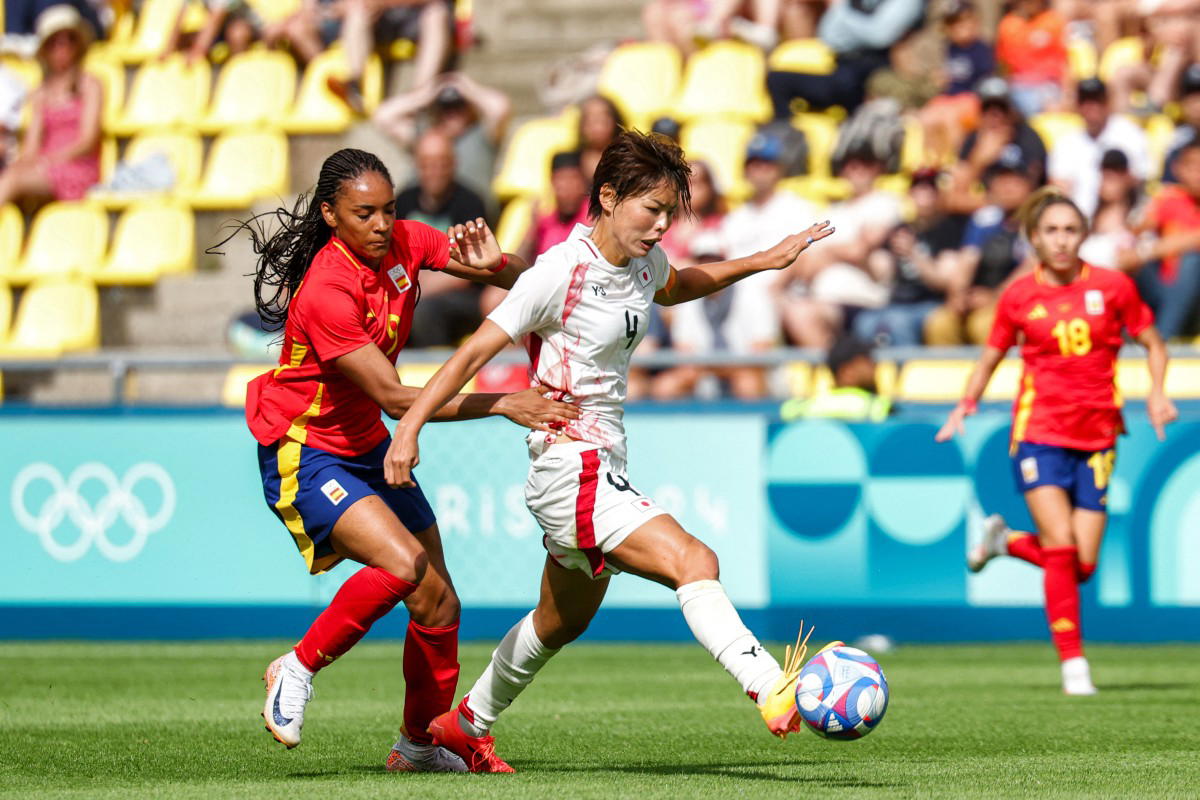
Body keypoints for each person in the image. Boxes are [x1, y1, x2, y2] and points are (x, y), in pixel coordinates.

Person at [385, 131, 836, 772]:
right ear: (607, 197)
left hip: (603, 464)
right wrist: (410, 429)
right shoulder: (557, 272)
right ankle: (769, 684)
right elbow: (471, 354)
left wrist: (762, 260)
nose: (660, 227)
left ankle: (464, 724)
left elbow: (677, 285)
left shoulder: (642, 262)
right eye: (650, 210)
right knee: (693, 558)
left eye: (668, 214)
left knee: (558, 620)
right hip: (571, 465)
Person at [235, 148, 578, 769]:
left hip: (364, 443)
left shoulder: (408, 242)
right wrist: (503, 403)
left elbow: (527, 284)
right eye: (364, 213)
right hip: (306, 448)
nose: (381, 224)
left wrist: (496, 265)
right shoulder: (325, 291)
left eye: (389, 210)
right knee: (403, 563)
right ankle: (297, 666)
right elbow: (396, 399)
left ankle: (418, 744)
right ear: (331, 216)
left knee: (439, 601)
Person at [936, 186, 1177, 696]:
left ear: (1083, 235)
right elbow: (991, 355)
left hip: (1098, 436)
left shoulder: (1114, 287)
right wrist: (966, 403)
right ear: (1033, 238)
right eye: (1051, 231)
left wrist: (1157, 392)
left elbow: (1153, 343)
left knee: (1083, 565)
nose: (1062, 240)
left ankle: (1003, 542)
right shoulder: (1020, 295)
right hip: (1039, 433)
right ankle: (1074, 664)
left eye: (1070, 230)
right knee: (1063, 549)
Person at [927, 148, 1036, 345]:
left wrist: (994, 297)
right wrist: (959, 295)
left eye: (1014, 180)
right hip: (979, 297)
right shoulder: (985, 219)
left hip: (1018, 304)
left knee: (984, 326)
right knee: (940, 323)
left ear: (1028, 185)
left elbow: (1031, 268)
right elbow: (968, 259)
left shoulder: (1036, 220)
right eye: (1000, 180)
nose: (1006, 187)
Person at [651, 231, 775, 400]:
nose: (708, 266)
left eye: (714, 260)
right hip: (705, 372)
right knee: (666, 387)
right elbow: (684, 349)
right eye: (702, 261)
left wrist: (719, 367)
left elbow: (762, 348)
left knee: (748, 383)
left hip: (742, 372)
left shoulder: (753, 294)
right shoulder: (686, 300)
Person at [394, 130, 490, 347]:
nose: (434, 171)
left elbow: (471, 270)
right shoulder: (403, 202)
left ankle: (433, 370)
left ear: (453, 164)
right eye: (427, 163)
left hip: (460, 295)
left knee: (424, 310)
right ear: (417, 165)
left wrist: (417, 288)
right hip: (410, 286)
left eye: (441, 163)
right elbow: (393, 258)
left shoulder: (471, 203)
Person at [0, 5, 101, 206]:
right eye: (55, 42)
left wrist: (51, 159)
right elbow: (32, 146)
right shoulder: (41, 92)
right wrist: (29, 163)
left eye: (68, 40)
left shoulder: (90, 84)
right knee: (12, 173)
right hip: (47, 167)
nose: (62, 47)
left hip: (76, 166)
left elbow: (88, 139)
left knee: (12, 179)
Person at [853, 169, 964, 346]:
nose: (924, 196)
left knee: (898, 323)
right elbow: (881, 273)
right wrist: (864, 252)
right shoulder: (899, 229)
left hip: (931, 303)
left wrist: (914, 254)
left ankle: (907, 371)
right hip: (896, 303)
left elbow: (943, 282)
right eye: (918, 190)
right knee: (864, 323)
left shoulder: (949, 230)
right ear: (910, 195)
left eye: (929, 191)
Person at [372, 71, 511, 209]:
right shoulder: (425, 136)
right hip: (421, 213)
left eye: (458, 106)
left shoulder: (482, 134)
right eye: (446, 107)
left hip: (471, 215)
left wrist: (467, 88)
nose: (452, 114)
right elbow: (383, 116)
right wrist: (426, 95)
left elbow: (500, 108)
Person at [1118, 139, 1200, 338]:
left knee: (1192, 261)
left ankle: (1163, 339)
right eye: (1192, 166)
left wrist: (1153, 249)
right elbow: (1135, 232)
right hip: (1164, 284)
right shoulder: (1168, 198)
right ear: (1178, 168)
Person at [1047, 78, 1149, 219]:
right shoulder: (1066, 142)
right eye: (1085, 101)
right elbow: (1059, 187)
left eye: (1097, 100)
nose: (1092, 106)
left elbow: (1141, 179)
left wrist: (1112, 183)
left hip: (1123, 220)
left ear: (1108, 102)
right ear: (1077, 105)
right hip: (1079, 222)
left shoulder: (1130, 134)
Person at [780, 335, 891, 421]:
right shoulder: (880, 408)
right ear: (848, 372)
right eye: (867, 361)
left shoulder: (801, 409)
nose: (874, 366)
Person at [994, 0, 1069, 117]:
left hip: (1048, 86)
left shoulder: (1053, 21)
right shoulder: (1007, 25)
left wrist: (1067, 96)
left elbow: (1066, 63)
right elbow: (1003, 66)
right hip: (1017, 87)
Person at [520, 151, 591, 262]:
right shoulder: (543, 222)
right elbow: (519, 265)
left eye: (573, 179)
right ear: (552, 182)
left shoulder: (595, 216)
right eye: (561, 179)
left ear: (583, 182)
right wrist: (531, 232)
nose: (568, 188)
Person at [576, 94, 624, 186]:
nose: (597, 123)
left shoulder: (628, 158)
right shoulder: (571, 163)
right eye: (590, 118)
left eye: (602, 117)